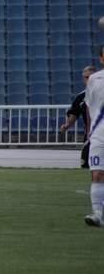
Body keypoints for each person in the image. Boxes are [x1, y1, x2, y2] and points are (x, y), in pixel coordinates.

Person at [84, 46, 104, 227]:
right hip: (99, 134)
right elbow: (90, 107)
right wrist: (89, 132)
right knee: (97, 173)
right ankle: (98, 214)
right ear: (101, 59)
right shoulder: (94, 79)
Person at [60, 65, 96, 168]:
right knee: (86, 166)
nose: (88, 80)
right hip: (90, 136)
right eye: (86, 77)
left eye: (90, 77)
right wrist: (66, 125)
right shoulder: (81, 97)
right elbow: (74, 114)